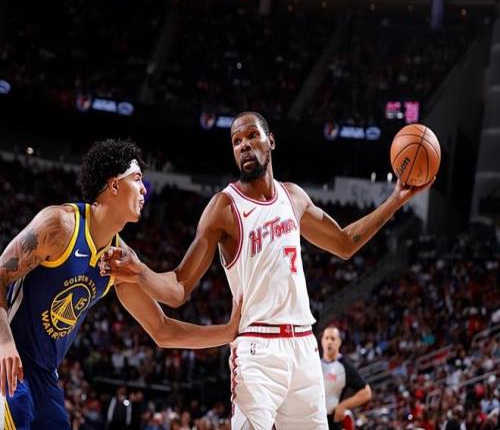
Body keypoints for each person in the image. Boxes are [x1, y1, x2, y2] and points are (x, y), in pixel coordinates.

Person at [101, 112, 433, 429]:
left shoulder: (294, 197)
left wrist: (396, 199)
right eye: (236, 141)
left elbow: (345, 244)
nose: (244, 145)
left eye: (251, 136)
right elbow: (178, 289)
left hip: (303, 346)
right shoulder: (223, 207)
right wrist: (141, 272)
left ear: (270, 141)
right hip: (257, 348)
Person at [0, 139, 241, 430]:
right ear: (114, 185)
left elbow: (162, 330)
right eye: (137, 179)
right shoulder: (59, 226)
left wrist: (228, 332)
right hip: (8, 359)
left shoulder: (118, 260)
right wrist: (4, 342)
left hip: (44, 375)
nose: (144, 189)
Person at [321, 326, 372, 429]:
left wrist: (344, 405)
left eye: (332, 339)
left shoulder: (345, 366)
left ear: (339, 342)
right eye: (326, 338)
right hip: (315, 420)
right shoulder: (316, 363)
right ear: (322, 341)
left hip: (333, 422)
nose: (329, 342)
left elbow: (366, 393)